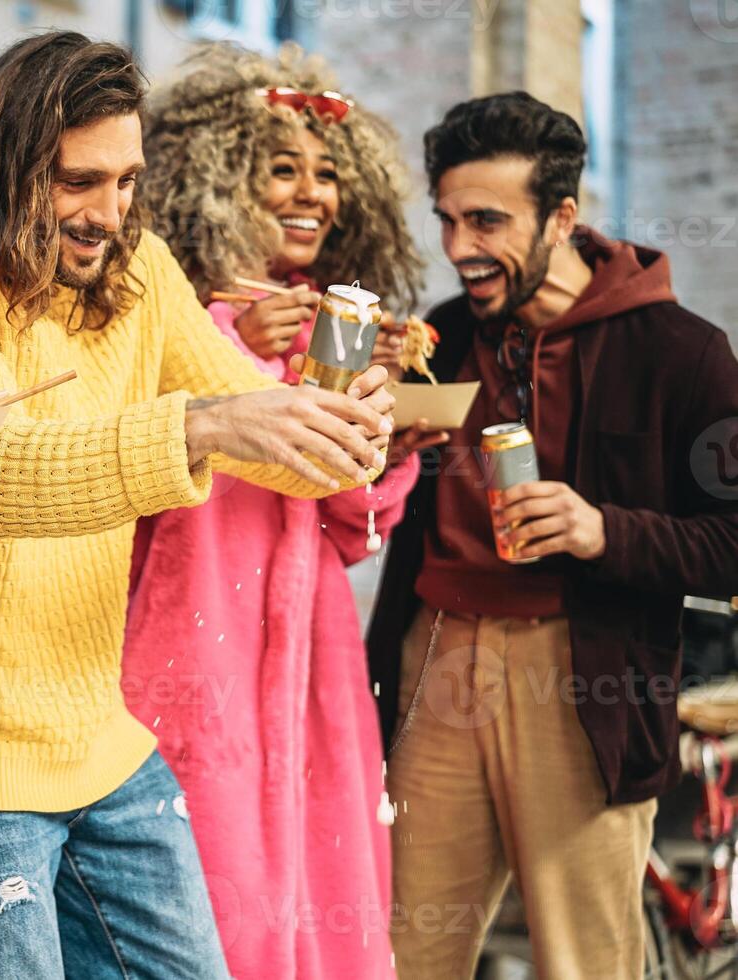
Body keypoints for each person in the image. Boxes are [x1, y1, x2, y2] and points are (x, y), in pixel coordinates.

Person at [0, 32, 396, 979]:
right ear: (1, 167)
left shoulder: (142, 269)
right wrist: (202, 425)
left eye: (127, 182)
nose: (109, 214)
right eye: (79, 182)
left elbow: (266, 438)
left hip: (108, 744)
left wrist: (348, 426)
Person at [366, 92, 738, 979]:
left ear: (563, 217)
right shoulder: (441, 336)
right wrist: (379, 438)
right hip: (435, 661)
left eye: (487, 221)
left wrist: (601, 530)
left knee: (581, 965)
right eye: (449, 219)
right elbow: (376, 504)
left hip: (587, 678)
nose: (459, 248)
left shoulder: (681, 352)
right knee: (400, 954)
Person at [127, 43, 437, 979]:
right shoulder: (154, 298)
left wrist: (392, 445)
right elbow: (121, 443)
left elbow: (348, 528)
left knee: (318, 870)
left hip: (308, 652)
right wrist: (229, 339)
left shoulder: (326, 321)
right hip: (188, 630)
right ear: (217, 180)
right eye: (283, 169)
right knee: (207, 875)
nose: (313, 194)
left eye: (328, 175)